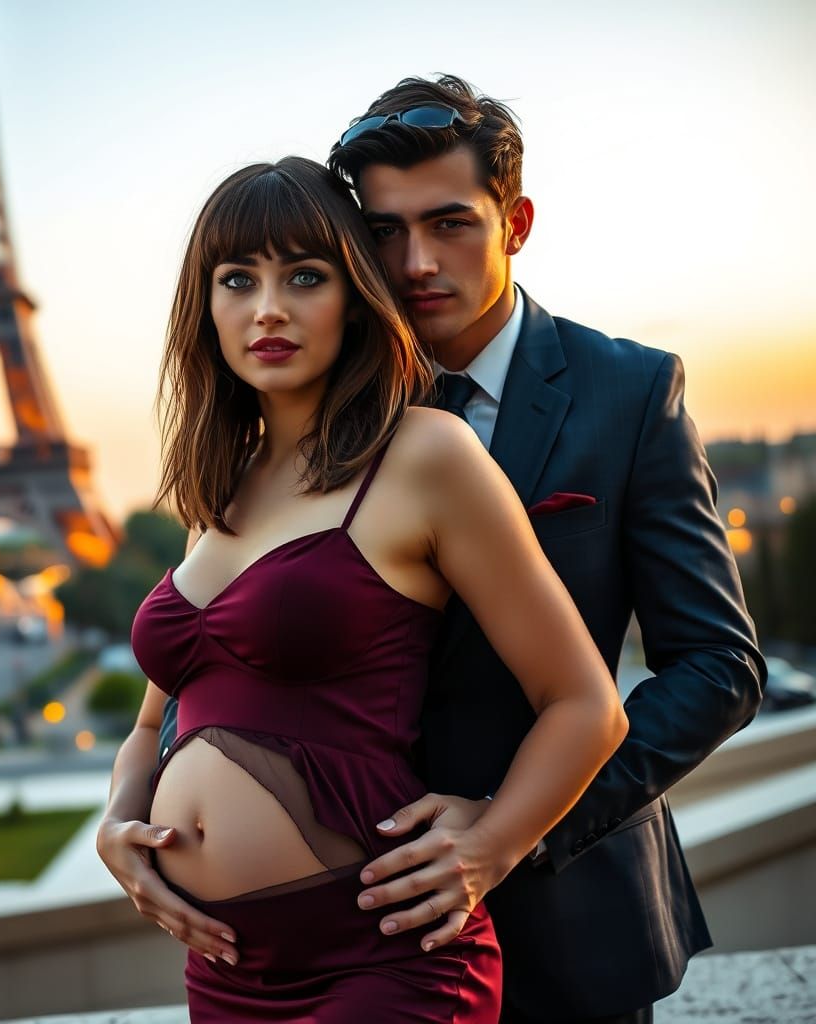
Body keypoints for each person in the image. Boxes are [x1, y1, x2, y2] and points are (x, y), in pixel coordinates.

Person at [98, 156, 628, 1022]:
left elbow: (586, 705)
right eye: (238, 279)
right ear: (206, 306)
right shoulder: (218, 490)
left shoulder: (426, 454)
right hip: (225, 971)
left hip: (382, 958)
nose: (269, 308)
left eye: (305, 277)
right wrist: (118, 823)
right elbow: (154, 723)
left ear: (354, 298)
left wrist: (490, 849)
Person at [323, 75, 766, 1023]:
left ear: (515, 223)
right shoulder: (328, 411)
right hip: (368, 924)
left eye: (450, 224)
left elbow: (719, 668)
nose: (415, 263)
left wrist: (511, 826)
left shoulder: (630, 392)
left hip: (577, 919)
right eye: (386, 232)